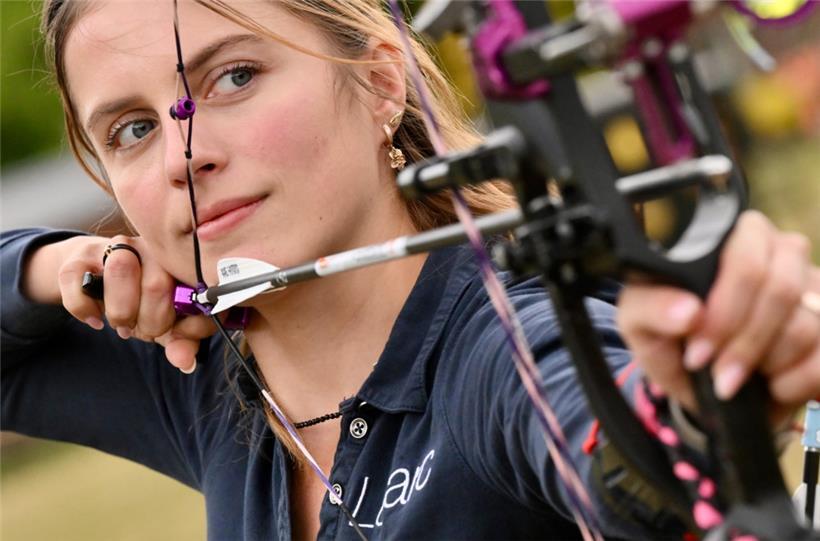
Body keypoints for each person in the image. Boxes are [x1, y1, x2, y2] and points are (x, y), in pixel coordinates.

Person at [2, 1, 819, 539]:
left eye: (236, 76)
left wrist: (694, 407)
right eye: (134, 129)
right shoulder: (204, 380)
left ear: (381, 84)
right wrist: (52, 264)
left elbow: (624, 452)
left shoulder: (497, 344)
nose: (187, 156)